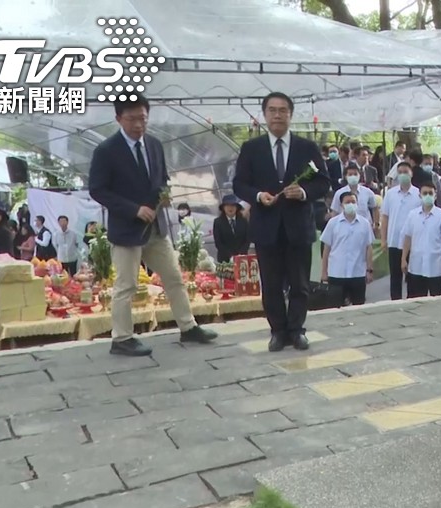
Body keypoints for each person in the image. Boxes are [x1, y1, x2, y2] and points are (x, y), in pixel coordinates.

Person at [88, 97, 218, 357]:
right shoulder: (106, 150)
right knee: (125, 285)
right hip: (126, 230)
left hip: (156, 228)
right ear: (118, 119)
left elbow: (161, 179)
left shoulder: (155, 145)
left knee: (174, 277)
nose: (138, 124)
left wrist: (163, 195)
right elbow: (98, 190)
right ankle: (122, 338)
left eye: (143, 118)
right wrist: (133, 209)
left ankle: (188, 326)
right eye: (132, 119)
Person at [232, 91, 330, 352]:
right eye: (272, 110)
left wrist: (304, 192)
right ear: (264, 115)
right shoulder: (252, 149)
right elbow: (239, 184)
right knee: (271, 285)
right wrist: (257, 195)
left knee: (300, 284)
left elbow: (323, 182)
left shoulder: (306, 148)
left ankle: (297, 330)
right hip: (266, 227)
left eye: (283, 110)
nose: (277, 115)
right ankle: (277, 331)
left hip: (298, 226)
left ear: (290, 115)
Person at [320, 191, 374, 306]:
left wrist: (369, 270)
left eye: (353, 202)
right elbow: (326, 249)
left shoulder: (364, 223)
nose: (350, 204)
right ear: (341, 205)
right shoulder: (333, 223)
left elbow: (368, 247)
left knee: (358, 307)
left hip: (357, 273)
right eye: (347, 202)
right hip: (336, 274)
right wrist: (324, 271)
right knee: (335, 307)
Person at [401, 184, 441, 298]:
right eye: (425, 193)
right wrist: (403, 258)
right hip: (416, 266)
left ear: (435, 196)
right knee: (415, 300)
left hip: (436, 266)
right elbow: (408, 238)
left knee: (436, 298)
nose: (428, 196)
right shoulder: (412, 215)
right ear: (420, 195)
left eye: (430, 193)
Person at [380, 162, 421, 300]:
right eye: (400, 172)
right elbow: (385, 217)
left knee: (412, 276)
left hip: (413, 242)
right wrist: (383, 239)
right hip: (394, 241)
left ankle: (412, 300)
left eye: (406, 171)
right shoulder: (390, 194)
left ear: (411, 173)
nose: (403, 175)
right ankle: (395, 302)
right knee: (395, 276)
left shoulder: (418, 194)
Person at [213, 194, 250, 263]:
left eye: (233, 205)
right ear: (223, 208)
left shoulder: (243, 221)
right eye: (227, 205)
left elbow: (247, 240)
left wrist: (240, 255)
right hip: (224, 260)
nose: (230, 208)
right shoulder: (218, 222)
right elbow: (218, 243)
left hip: (242, 260)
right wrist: (230, 256)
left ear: (236, 207)